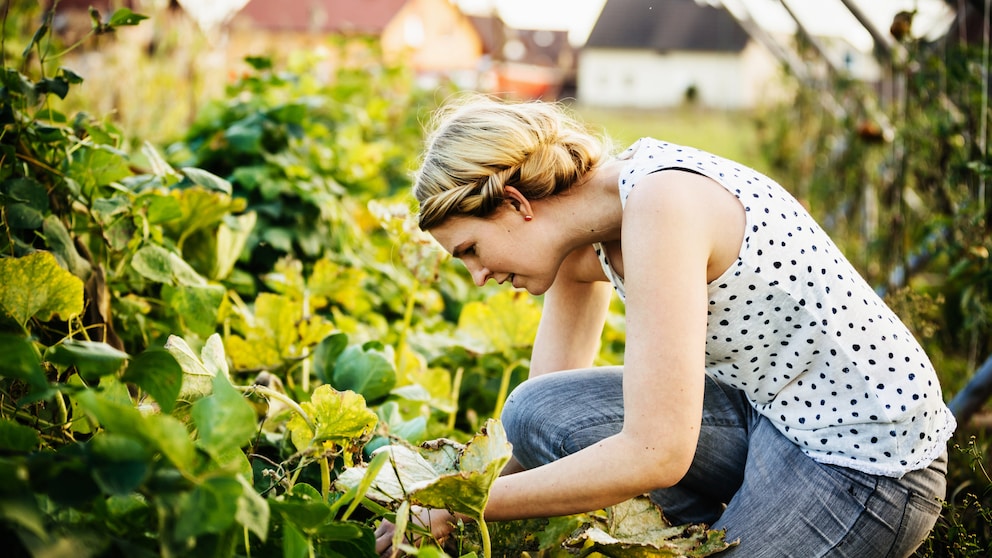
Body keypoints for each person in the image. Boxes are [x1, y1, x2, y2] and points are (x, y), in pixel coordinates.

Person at [375, 93, 956, 557]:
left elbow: (655, 453)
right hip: (771, 416)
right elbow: (538, 433)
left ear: (515, 204)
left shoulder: (662, 205)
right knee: (533, 410)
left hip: (866, 461)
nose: (477, 275)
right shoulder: (586, 237)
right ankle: (747, 524)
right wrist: (436, 499)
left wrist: (465, 505)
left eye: (471, 249)